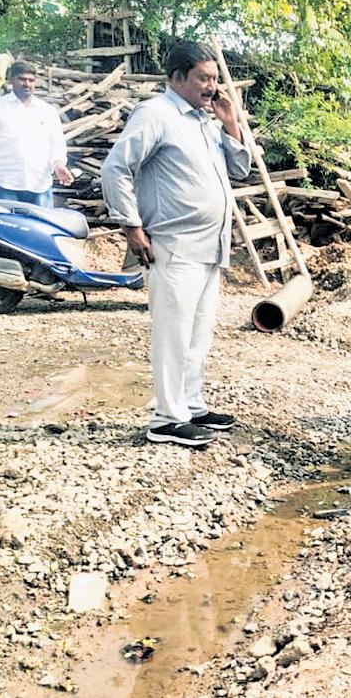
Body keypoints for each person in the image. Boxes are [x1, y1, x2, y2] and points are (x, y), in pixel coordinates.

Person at [101, 41, 251, 447]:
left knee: (198, 333)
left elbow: (240, 169)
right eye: (203, 78)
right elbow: (116, 168)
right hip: (173, 243)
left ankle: (191, 403)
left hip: (209, 246)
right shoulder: (157, 115)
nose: (211, 87)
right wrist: (131, 225)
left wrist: (230, 122)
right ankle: (167, 418)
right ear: (177, 77)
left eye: (215, 79)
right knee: (173, 332)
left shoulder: (205, 120)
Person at [0, 60, 74, 206]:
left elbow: (57, 145)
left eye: (31, 80)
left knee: (42, 227)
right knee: (8, 227)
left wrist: (59, 165)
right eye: (22, 79)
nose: (27, 84)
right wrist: (4, 157)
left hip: (40, 183)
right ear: (11, 80)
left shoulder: (47, 111)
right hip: (6, 183)